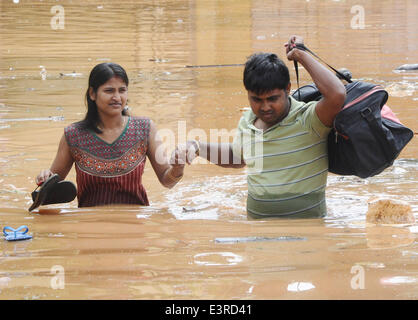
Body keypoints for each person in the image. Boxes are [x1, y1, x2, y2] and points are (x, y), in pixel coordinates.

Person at [178, 35, 346, 218]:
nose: (265, 107)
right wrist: (197, 147)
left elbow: (337, 95)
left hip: (307, 230)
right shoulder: (248, 121)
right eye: (256, 100)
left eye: (272, 99)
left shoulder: (309, 119)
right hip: (256, 230)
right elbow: (238, 157)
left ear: (288, 89)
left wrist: (300, 55)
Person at [35, 62, 185, 207]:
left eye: (122, 90)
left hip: (136, 225)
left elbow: (167, 181)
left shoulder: (145, 129)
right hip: (90, 227)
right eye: (109, 91)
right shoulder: (74, 135)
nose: (117, 97)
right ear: (92, 94)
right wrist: (44, 178)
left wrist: (177, 169)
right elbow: (52, 190)